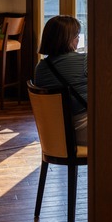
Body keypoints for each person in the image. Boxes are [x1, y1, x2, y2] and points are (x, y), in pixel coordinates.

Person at [34, 15, 88, 145]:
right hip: (83, 130)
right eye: (76, 36)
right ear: (67, 39)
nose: (78, 39)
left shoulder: (40, 68)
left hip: (55, 135)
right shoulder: (84, 61)